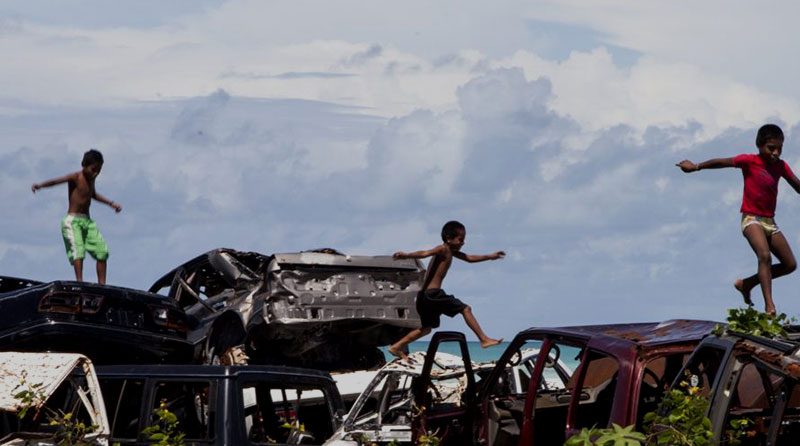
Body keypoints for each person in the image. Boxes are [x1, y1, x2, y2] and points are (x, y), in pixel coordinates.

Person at [677, 124, 800, 315]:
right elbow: (722, 162)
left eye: (779, 149)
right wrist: (697, 167)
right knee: (764, 255)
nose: (775, 153)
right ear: (759, 146)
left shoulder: (781, 166)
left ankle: (747, 283)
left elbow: (797, 186)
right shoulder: (749, 161)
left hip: (770, 222)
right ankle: (770, 306)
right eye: (771, 148)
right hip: (751, 219)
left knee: (790, 264)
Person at [388, 220, 505, 360]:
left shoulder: (451, 251)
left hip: (424, 297)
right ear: (449, 239)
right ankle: (484, 339)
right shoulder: (443, 249)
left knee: (426, 329)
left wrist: (490, 256)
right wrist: (407, 255)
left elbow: (469, 258)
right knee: (466, 309)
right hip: (433, 294)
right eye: (461, 240)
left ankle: (396, 347)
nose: (463, 243)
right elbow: (425, 253)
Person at [31, 149, 122, 284]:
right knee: (78, 252)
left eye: (99, 170)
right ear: (83, 165)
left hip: (87, 222)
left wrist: (111, 203)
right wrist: (40, 186)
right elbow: (57, 181)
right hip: (72, 221)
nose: (95, 173)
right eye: (93, 169)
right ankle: (80, 282)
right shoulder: (76, 177)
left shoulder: (92, 179)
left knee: (102, 252)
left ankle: (102, 285)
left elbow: (93, 195)